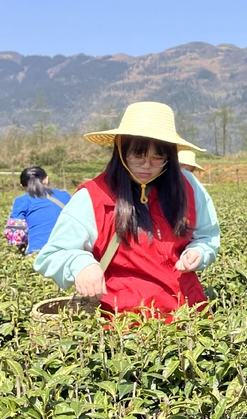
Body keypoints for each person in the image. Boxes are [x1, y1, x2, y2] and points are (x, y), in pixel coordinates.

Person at [34, 102, 220, 321]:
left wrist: (199, 252)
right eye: (138, 154)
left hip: (188, 317)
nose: (147, 165)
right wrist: (82, 265)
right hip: (123, 328)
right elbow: (51, 255)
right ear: (121, 151)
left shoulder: (187, 186)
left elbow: (208, 236)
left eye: (157, 157)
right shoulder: (92, 197)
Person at [8, 167, 72, 254]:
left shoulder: (21, 201)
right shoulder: (65, 196)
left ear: (22, 186)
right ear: (46, 180)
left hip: (39, 252)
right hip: (70, 249)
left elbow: (16, 237)